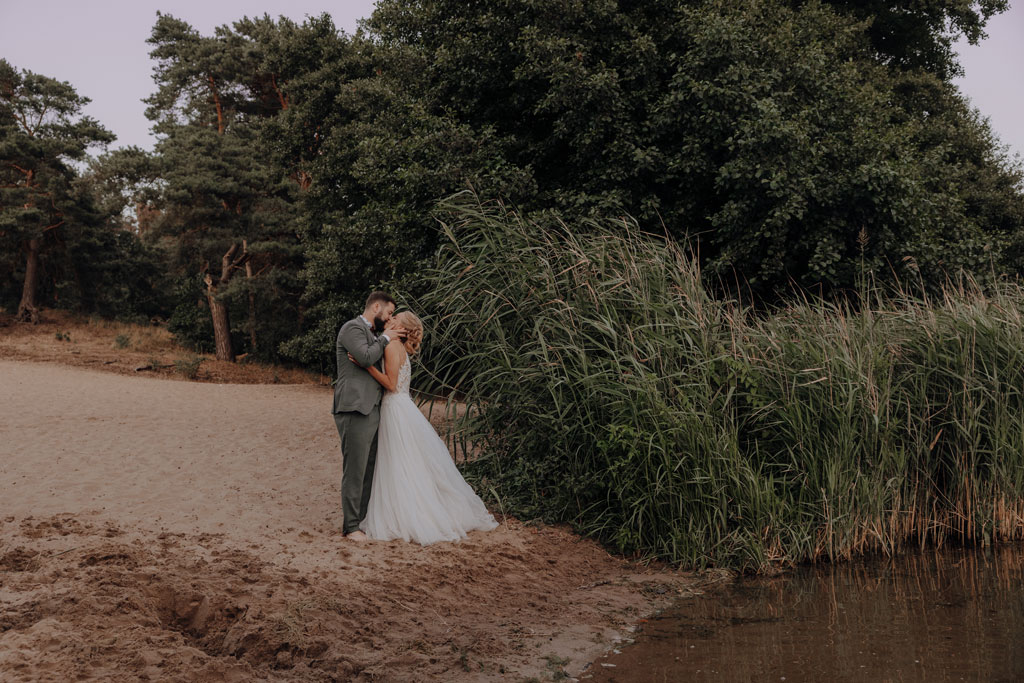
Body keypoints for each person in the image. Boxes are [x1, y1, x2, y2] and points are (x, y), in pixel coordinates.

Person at [349, 311, 499, 544]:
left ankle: (407, 514)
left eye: (395, 316)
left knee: (398, 461)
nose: (391, 318)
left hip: (394, 408)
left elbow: (390, 384)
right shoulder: (399, 348)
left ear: (402, 326)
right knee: (408, 461)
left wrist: (366, 366)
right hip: (404, 406)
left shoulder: (391, 347)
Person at [332, 291, 406, 542]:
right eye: (388, 313)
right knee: (355, 469)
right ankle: (350, 526)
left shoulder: (376, 336)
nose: (389, 318)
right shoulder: (351, 329)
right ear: (376, 306)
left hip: (373, 408)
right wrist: (385, 338)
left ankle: (361, 520)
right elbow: (364, 357)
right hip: (354, 408)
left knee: (369, 469)